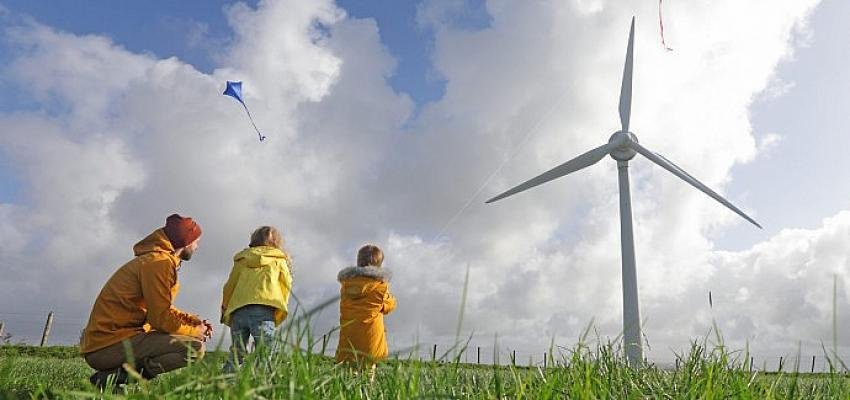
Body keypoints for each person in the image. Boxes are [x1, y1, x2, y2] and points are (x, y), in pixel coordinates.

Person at [80, 214, 212, 389]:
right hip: (107, 346)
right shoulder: (159, 263)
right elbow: (159, 318)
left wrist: (193, 322)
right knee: (194, 348)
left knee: (189, 342)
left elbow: (162, 309)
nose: (197, 246)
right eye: (196, 241)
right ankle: (112, 378)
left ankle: (113, 382)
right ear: (186, 241)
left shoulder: (156, 260)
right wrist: (195, 332)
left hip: (107, 342)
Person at [220, 226, 293, 372]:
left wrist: (225, 306)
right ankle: (261, 381)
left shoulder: (242, 259)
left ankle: (224, 380)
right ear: (277, 242)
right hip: (264, 309)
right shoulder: (278, 259)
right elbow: (286, 284)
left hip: (238, 310)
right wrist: (281, 307)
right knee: (265, 351)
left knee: (236, 352)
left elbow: (230, 285)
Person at [335, 244, 396, 372]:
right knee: (368, 375)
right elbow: (390, 305)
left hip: (349, 340)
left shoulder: (346, 285)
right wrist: (387, 303)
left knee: (349, 374)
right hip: (370, 341)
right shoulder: (380, 286)